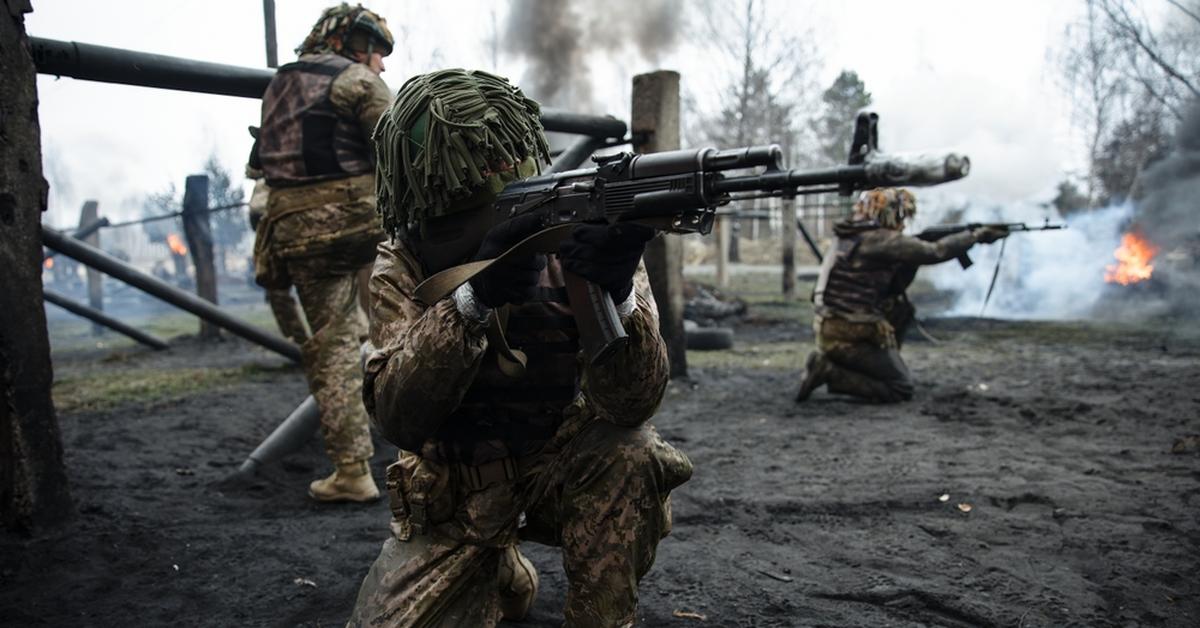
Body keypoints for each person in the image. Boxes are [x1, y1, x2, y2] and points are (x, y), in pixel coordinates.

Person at [347, 69, 693, 627]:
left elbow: (634, 405)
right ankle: (497, 570)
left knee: (631, 452)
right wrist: (472, 300)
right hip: (455, 499)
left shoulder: (583, 224)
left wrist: (620, 292)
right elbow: (398, 417)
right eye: (468, 204)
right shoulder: (404, 263)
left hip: (560, 470)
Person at [252, 3, 393, 502]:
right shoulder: (356, 81)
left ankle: (353, 471)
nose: (380, 64)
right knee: (402, 324)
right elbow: (397, 150)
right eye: (377, 53)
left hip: (298, 237)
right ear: (352, 44)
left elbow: (261, 166)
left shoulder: (277, 85)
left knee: (333, 349)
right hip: (365, 224)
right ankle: (420, 440)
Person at [795, 188, 1008, 403]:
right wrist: (975, 236)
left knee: (901, 309)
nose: (903, 223)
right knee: (900, 388)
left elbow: (895, 285)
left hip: (833, 325)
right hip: (850, 332)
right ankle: (829, 371)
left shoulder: (851, 233)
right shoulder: (878, 239)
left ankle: (860, 363)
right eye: (901, 216)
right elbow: (934, 252)